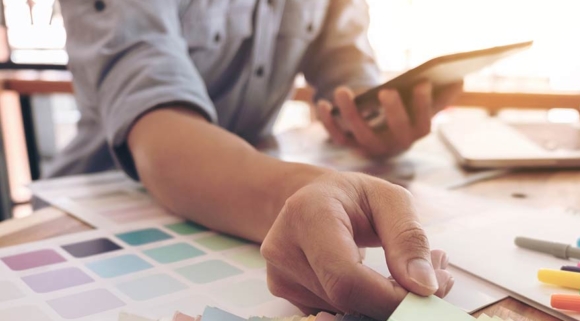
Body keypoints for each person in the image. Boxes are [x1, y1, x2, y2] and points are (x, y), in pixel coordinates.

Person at [52, 0, 462, 319]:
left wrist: (375, 121)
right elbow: (157, 126)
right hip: (93, 212)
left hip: (247, 198)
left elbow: (347, 69)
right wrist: (301, 193)